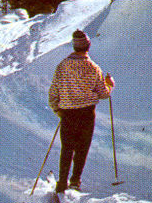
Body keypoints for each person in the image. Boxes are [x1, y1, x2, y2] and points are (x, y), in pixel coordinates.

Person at [48, 29, 115, 193]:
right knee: (82, 149)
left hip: (68, 114)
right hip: (87, 114)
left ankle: (62, 183)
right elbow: (104, 94)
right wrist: (110, 84)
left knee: (67, 148)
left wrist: (58, 110)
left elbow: (53, 93)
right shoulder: (94, 68)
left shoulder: (62, 66)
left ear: (74, 46)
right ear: (88, 46)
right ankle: (75, 181)